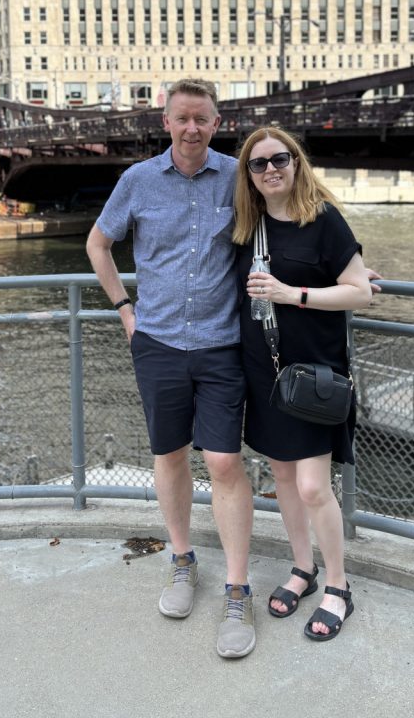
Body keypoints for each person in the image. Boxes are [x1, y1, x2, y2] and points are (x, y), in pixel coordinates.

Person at [86, 78, 256, 659]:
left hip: (222, 343)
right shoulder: (136, 181)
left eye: (201, 119)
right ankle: (182, 561)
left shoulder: (240, 176)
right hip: (156, 342)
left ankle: (238, 587)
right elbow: (98, 245)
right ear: (165, 123)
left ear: (215, 122)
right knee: (169, 456)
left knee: (225, 460)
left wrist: (351, 267)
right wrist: (124, 310)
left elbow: (298, 214)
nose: (191, 129)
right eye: (181, 118)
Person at [232, 126, 373, 642]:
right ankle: (302, 567)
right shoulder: (248, 228)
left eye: (280, 159)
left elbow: (359, 292)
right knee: (285, 481)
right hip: (265, 375)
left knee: (314, 486)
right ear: (247, 175)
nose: (271, 169)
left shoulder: (324, 219)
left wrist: (296, 293)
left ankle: (338, 584)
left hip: (313, 376)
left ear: (296, 163)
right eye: (258, 163)